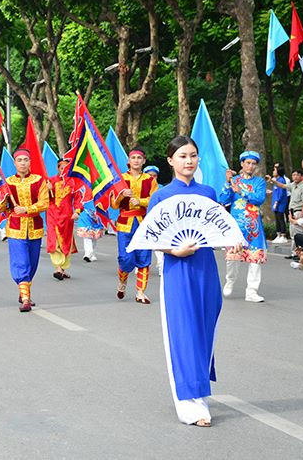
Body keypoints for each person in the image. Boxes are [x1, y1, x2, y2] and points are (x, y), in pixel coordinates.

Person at [150, 136, 222, 427]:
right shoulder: (161, 196)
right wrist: (173, 249)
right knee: (184, 330)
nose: (188, 161)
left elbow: (216, 228)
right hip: (178, 269)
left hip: (206, 268)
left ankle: (199, 391)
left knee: (205, 328)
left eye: (193, 155)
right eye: (182, 156)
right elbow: (152, 237)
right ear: (170, 161)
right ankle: (187, 400)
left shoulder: (208, 192)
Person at [0, 148, 49, 312]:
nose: (23, 163)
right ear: (15, 163)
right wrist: (3, 201)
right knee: (21, 263)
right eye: (20, 160)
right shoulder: (8, 183)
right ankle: (25, 298)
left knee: (32, 264)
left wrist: (27, 209)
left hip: (34, 226)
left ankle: (24, 289)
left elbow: (44, 203)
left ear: (30, 162)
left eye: (26, 160)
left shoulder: (39, 181)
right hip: (15, 228)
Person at [219, 151, 267, 303]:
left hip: (254, 227)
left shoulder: (259, 182)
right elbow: (223, 199)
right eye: (248, 163)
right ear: (242, 164)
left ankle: (252, 291)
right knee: (233, 257)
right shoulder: (233, 180)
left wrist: (242, 192)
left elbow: (259, 199)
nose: (251, 166)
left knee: (255, 259)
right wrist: (227, 183)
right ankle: (230, 280)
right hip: (236, 226)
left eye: (253, 164)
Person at [111, 148, 157, 304]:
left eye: (139, 158)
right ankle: (122, 282)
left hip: (144, 223)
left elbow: (156, 200)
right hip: (125, 224)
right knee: (125, 258)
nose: (136, 160)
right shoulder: (120, 180)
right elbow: (113, 204)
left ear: (144, 161)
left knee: (144, 258)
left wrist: (142, 201)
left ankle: (140, 292)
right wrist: (121, 196)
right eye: (134, 158)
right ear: (129, 161)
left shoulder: (150, 180)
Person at [46, 157, 82, 280]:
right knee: (54, 241)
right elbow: (43, 198)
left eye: (66, 168)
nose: (63, 170)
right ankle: (58, 268)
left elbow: (78, 199)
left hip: (67, 216)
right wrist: (48, 190)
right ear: (57, 168)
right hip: (52, 214)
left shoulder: (73, 182)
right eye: (61, 168)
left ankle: (62, 268)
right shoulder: (50, 181)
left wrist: (77, 211)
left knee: (66, 242)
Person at [76, 196, 104, 262]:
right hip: (85, 211)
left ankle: (92, 253)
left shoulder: (98, 187)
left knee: (94, 235)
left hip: (97, 211)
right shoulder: (83, 187)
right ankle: (88, 253)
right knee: (87, 235)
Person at [266, 164, 289, 243]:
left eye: (274, 170)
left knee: (280, 218)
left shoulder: (281, 180)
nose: (273, 171)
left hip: (280, 203)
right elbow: (276, 191)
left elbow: (281, 193)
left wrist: (277, 201)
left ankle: (283, 235)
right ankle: (278, 234)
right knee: (277, 219)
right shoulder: (276, 180)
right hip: (276, 202)